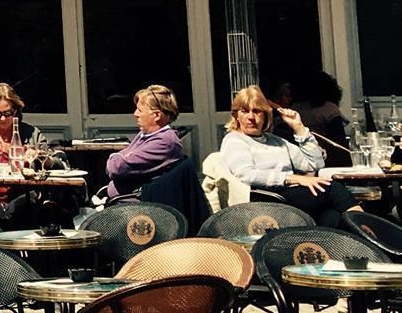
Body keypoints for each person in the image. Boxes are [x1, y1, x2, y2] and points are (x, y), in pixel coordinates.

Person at [219, 84, 353, 225]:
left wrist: (299, 128)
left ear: (266, 115)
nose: (251, 117)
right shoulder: (235, 140)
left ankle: (344, 241)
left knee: (332, 216)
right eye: (245, 111)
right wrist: (293, 179)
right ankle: (364, 227)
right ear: (236, 116)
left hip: (289, 196)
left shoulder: (276, 141)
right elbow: (246, 174)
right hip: (267, 199)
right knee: (333, 189)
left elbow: (314, 164)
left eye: (257, 111)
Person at [0, 83, 67, 226]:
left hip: (24, 197)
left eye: (7, 113)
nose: (3, 119)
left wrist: (42, 159)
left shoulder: (31, 134)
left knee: (39, 211)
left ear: (15, 111)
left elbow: (59, 165)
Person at [102, 84, 190, 202]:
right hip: (123, 202)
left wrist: (114, 157)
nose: (135, 114)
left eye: (140, 110)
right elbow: (119, 164)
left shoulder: (164, 142)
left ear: (157, 115)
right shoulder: (146, 134)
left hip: (138, 209)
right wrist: (119, 158)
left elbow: (118, 168)